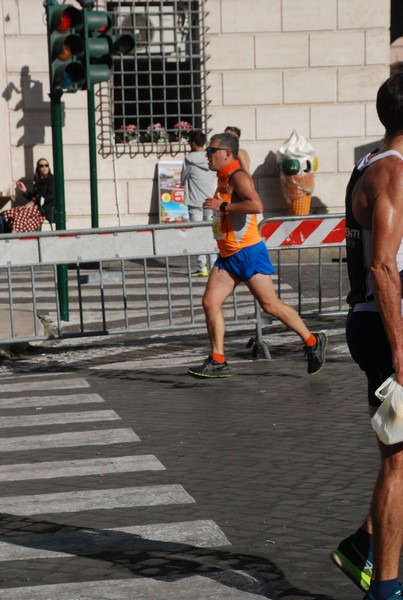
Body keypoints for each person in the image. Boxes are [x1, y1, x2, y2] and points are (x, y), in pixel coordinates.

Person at [330, 73, 403, 600]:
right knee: (398, 461)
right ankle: (386, 587)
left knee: (398, 455)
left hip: (373, 320)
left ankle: (364, 544)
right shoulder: (392, 174)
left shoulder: (371, 163)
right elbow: (382, 266)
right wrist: (401, 351)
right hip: (386, 326)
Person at [187, 132, 327, 379]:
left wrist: (222, 206)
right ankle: (218, 360)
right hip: (228, 256)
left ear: (226, 154)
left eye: (211, 151)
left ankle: (312, 340)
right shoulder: (222, 178)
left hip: (248, 252)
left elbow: (257, 205)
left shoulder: (238, 177)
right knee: (210, 302)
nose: (207, 156)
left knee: (270, 305)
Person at [181, 130, 216, 276]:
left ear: (193, 143)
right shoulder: (211, 157)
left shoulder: (189, 160)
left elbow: (183, 179)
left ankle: (202, 267)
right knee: (212, 233)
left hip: (195, 201)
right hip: (211, 200)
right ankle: (214, 265)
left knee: (198, 235)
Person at [3, 158, 55, 232]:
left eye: (46, 165)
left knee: (20, 215)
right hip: (35, 208)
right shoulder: (38, 182)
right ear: (38, 168)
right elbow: (34, 198)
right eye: (41, 166)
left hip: (44, 209)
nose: (44, 167)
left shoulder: (51, 179)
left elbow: (51, 196)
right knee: (9, 213)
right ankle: (12, 235)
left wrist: (33, 201)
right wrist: (25, 191)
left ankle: (14, 235)